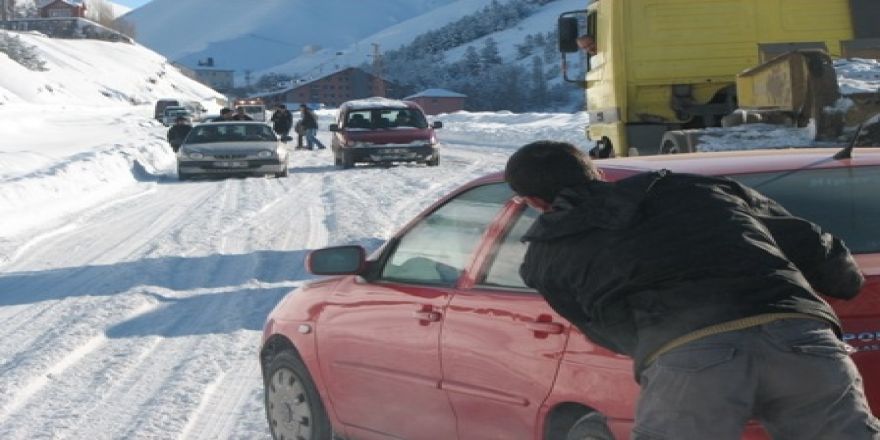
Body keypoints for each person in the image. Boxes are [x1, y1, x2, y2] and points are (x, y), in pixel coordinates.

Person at [504, 140, 880, 440]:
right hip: (803, 340)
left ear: (534, 202)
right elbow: (809, 241)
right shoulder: (692, 187)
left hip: (691, 357)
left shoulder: (544, 256)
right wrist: (846, 284)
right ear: (597, 172)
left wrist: (660, 345)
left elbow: (605, 327)